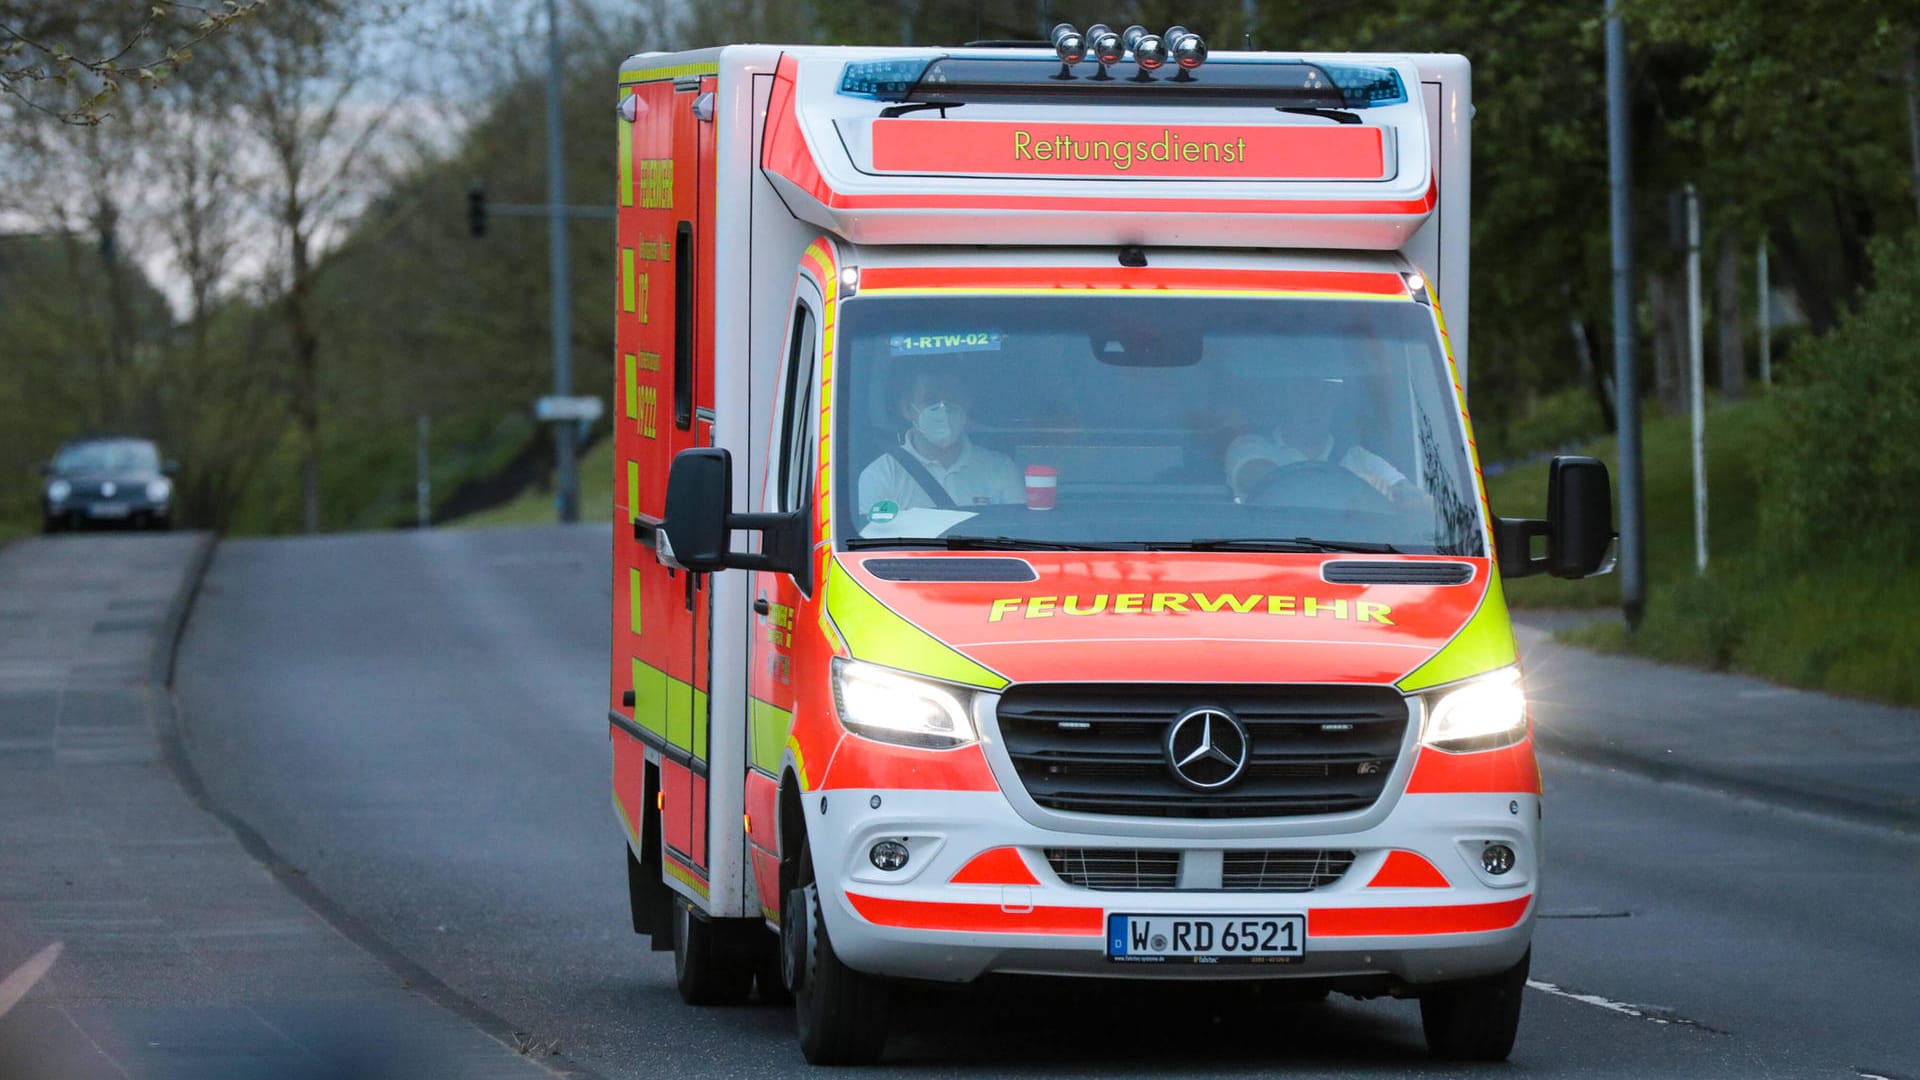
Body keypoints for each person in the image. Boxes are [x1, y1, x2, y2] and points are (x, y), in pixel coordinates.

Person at [1225, 375, 1425, 506]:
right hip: (1264, 550)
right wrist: (1355, 485)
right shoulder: (1250, 446)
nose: (1313, 407)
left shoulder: (1357, 457)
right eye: (1303, 397)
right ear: (1286, 402)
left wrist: (1396, 495)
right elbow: (1264, 481)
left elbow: (1413, 498)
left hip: (1350, 552)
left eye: (1322, 398)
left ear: (1334, 405)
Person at [857, 370, 1022, 523]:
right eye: (931, 399)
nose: (943, 408)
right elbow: (875, 543)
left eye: (952, 398)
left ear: (968, 403)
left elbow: (1018, 531)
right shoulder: (880, 476)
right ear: (907, 409)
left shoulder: (1001, 468)